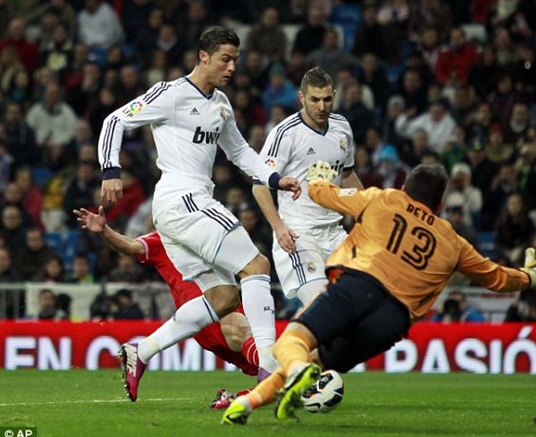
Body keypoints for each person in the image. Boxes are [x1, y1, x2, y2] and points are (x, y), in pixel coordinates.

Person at [222, 162, 536, 425]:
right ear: (440, 202)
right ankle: (248, 404)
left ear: (405, 187)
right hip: (392, 322)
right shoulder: (453, 241)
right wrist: (532, 277)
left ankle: (294, 375)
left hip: (360, 285)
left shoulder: (385, 199)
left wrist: (320, 178)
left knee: (291, 345)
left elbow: (322, 195)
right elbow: (496, 277)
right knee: (317, 363)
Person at [97, 26, 301, 400]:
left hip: (182, 208)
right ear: (203, 56)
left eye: (236, 60)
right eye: (225, 58)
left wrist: (274, 179)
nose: (232, 66)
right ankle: (270, 372)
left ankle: (140, 351)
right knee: (256, 266)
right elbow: (115, 121)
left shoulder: (221, 103)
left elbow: (239, 153)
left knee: (224, 297)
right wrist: (111, 171)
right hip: (182, 198)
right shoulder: (171, 94)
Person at [74, 206, 261, 401]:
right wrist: (105, 231)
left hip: (195, 322)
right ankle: (143, 351)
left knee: (261, 368)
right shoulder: (163, 239)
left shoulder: (209, 231)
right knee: (266, 358)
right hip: (213, 311)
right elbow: (130, 246)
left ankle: (233, 400)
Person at [253, 66, 363, 308]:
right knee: (322, 307)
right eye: (315, 100)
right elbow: (259, 185)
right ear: (302, 97)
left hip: (335, 234)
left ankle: (301, 344)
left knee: (359, 304)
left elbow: (347, 175)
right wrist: (279, 227)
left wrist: (366, 212)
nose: (322, 107)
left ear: (334, 95)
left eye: (327, 99)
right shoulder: (285, 133)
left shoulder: (342, 127)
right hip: (298, 235)